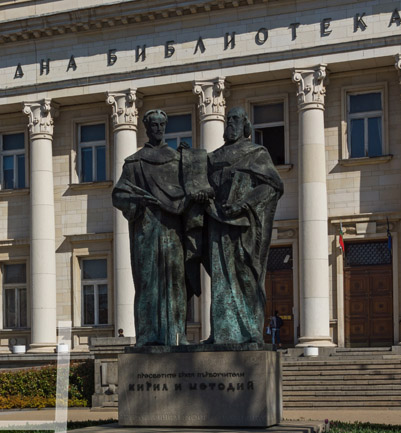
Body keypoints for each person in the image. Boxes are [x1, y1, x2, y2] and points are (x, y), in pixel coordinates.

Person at [112, 109, 211, 346]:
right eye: (153, 125)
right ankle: (147, 337)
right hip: (146, 230)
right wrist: (139, 201)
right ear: (146, 128)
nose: (158, 129)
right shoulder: (134, 163)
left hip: (173, 232)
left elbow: (194, 188)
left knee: (175, 282)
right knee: (147, 283)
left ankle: (177, 336)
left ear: (165, 127)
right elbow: (119, 194)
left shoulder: (178, 160)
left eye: (161, 124)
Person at [204, 107, 284, 345]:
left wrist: (243, 203)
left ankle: (251, 333)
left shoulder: (257, 153)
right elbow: (202, 184)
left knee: (246, 274)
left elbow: (272, 186)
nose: (230, 123)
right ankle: (221, 334)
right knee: (220, 278)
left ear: (246, 126)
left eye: (235, 119)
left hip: (245, 225)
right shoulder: (213, 157)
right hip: (218, 221)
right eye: (228, 119)